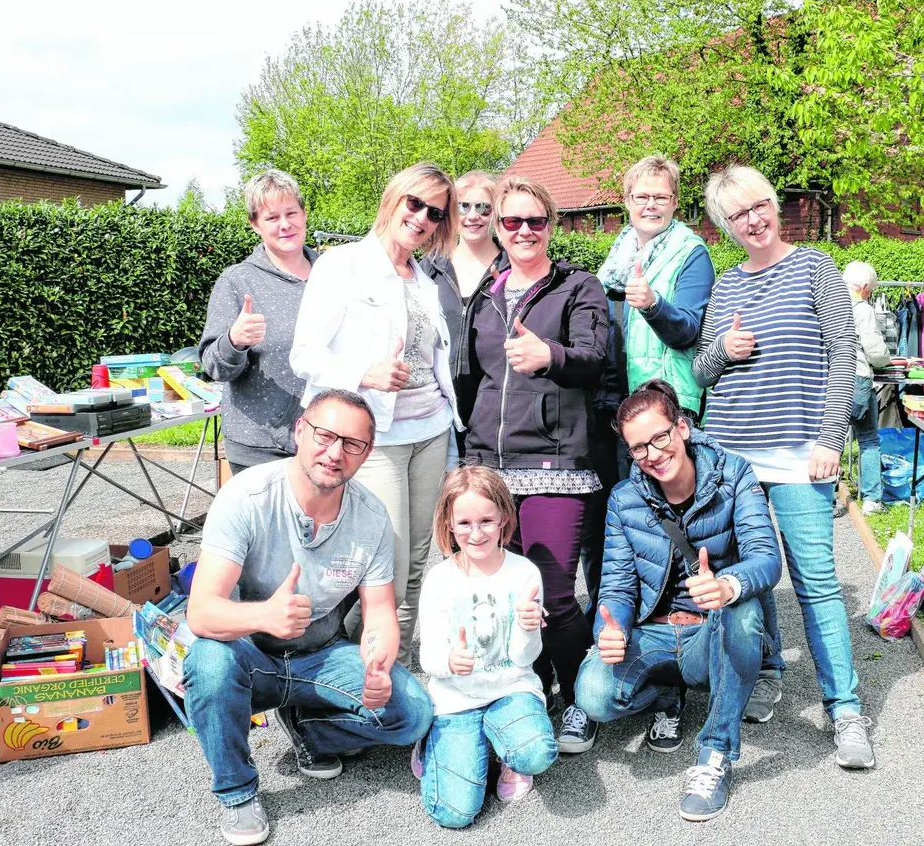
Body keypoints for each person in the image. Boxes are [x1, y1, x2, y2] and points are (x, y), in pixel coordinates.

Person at [182, 389, 434, 846]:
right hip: (250, 656)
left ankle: (308, 728)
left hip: (321, 655)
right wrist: (264, 615)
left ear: (366, 453)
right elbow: (201, 612)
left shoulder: (371, 517)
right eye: (325, 435)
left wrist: (378, 663)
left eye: (352, 444)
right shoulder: (247, 497)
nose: (335, 453)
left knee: (412, 715)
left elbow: (379, 612)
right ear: (300, 431)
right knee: (208, 662)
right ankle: (238, 791)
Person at [693, 165, 876, 769]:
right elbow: (701, 373)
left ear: (776, 205)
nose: (754, 219)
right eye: (739, 214)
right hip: (731, 453)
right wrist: (726, 349)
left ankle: (844, 709)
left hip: (801, 453)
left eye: (761, 205)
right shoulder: (725, 286)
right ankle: (766, 671)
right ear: (726, 226)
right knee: (752, 574)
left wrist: (832, 438)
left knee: (817, 582)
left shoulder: (816, 267)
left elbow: (842, 356)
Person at [575, 380, 780, 822]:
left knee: (743, 608)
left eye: (659, 437)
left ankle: (715, 753)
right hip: (654, 630)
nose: (652, 453)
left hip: (711, 631)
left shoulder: (735, 475)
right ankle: (668, 693)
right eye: (638, 448)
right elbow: (616, 585)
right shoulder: (625, 499)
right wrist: (608, 630)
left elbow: (766, 558)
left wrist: (727, 585)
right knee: (592, 694)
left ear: (682, 428)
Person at [290, 162, 463, 665]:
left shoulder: (424, 278)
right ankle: (371, 681)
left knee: (415, 564)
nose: (423, 218)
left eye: (435, 212)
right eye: (415, 203)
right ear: (393, 199)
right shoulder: (341, 265)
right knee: (384, 567)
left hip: (430, 429)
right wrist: (363, 372)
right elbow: (305, 355)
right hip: (376, 437)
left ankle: (396, 674)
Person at [463, 174, 610, 752]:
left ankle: (578, 698)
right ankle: (527, 687)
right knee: (501, 597)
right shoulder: (483, 292)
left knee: (551, 594)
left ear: (552, 225)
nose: (524, 231)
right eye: (511, 221)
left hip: (555, 464)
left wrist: (550, 354)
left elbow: (596, 359)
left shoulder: (577, 285)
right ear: (497, 227)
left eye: (536, 221)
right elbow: (469, 377)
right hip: (488, 466)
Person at [583, 155, 716, 606]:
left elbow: (691, 330)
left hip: (663, 405)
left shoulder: (691, 253)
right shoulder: (619, 254)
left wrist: (655, 304)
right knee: (622, 514)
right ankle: (619, 614)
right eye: (642, 196)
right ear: (627, 201)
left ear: (676, 202)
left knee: (674, 514)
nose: (651, 205)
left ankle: (688, 608)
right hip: (615, 399)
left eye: (661, 196)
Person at [413, 467, 557, 828]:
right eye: (464, 523)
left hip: (512, 689)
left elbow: (526, 658)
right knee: (454, 812)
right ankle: (437, 742)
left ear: (504, 519)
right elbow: (428, 658)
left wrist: (527, 628)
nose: (476, 533)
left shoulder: (524, 571)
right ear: (448, 523)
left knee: (537, 754)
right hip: (456, 700)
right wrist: (450, 660)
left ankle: (505, 743)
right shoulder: (439, 579)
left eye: (486, 521)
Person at [198, 169, 316, 475]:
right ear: (255, 225)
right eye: (272, 218)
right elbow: (214, 366)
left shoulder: (332, 273)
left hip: (326, 442)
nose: (285, 225)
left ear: (304, 213)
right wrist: (234, 341)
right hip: (262, 449)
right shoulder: (237, 281)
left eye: (291, 213)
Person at [419, 170, 509, 454]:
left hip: (495, 410)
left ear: (495, 214)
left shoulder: (512, 268)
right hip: (437, 408)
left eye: (483, 208)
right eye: (464, 206)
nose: (473, 216)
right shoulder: (428, 269)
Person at [844, 261, 891, 516]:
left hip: (833, 379)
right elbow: (874, 351)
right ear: (863, 287)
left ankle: (826, 497)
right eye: (870, 290)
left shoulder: (830, 305)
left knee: (832, 440)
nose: (870, 294)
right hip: (859, 379)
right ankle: (872, 499)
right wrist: (888, 359)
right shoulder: (863, 309)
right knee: (869, 440)